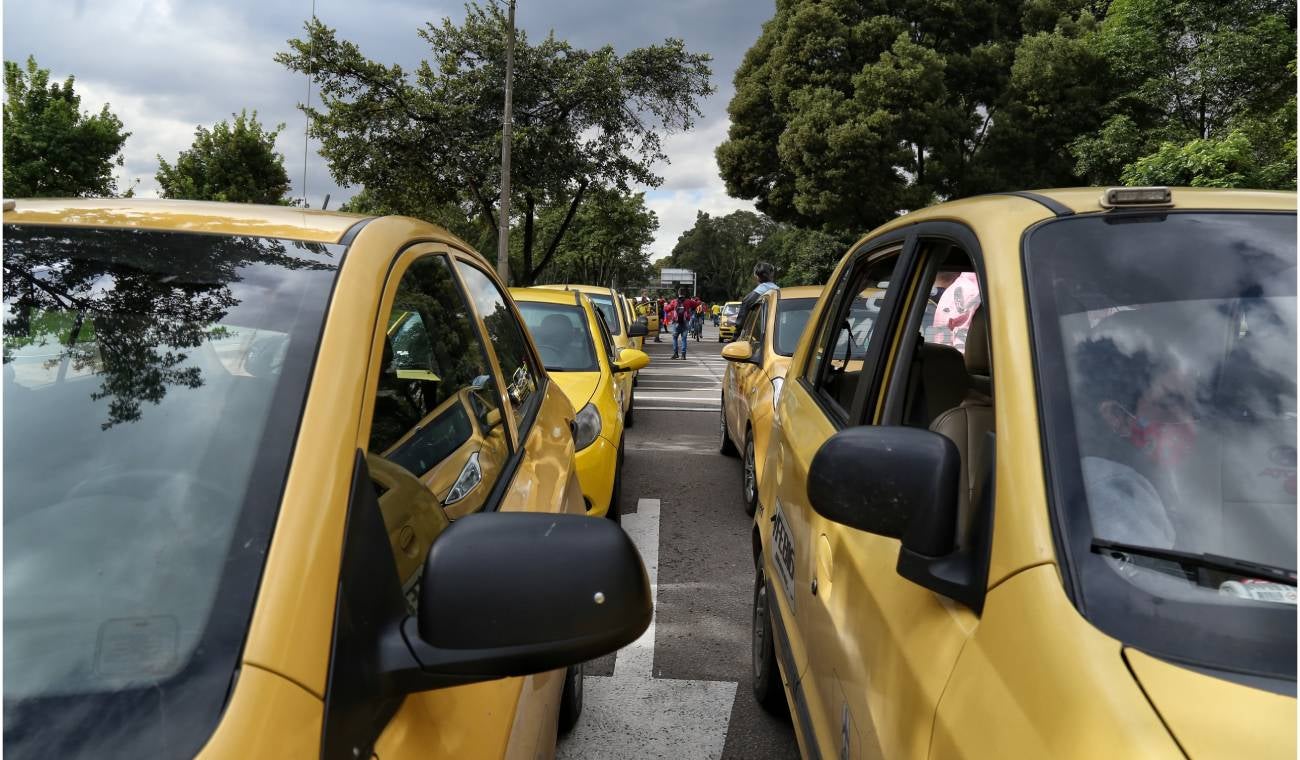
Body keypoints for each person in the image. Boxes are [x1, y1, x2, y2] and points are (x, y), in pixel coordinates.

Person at [734, 261, 779, 335]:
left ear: (756, 277)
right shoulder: (780, 293)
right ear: (772, 274)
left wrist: (736, 335)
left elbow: (741, 322)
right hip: (778, 335)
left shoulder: (750, 298)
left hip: (758, 336)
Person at [667, 290, 700, 359]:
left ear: (678, 293)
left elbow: (666, 309)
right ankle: (683, 355)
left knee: (675, 338)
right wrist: (696, 300)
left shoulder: (674, 301)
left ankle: (675, 354)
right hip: (685, 322)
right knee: (684, 339)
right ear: (685, 294)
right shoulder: (688, 301)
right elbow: (697, 304)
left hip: (676, 323)